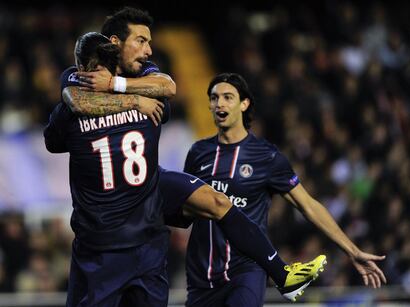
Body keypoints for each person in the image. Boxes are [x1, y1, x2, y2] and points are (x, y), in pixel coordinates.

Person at [63, 7, 328, 303]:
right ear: (115, 43)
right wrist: (136, 101)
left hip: (149, 180)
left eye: (149, 42)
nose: (148, 50)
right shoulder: (80, 77)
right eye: (140, 41)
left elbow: (169, 86)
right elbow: (74, 100)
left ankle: (283, 275)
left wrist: (119, 88)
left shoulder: (144, 75)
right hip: (112, 202)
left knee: (217, 201)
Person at [181, 73, 387, 306]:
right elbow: (185, 207)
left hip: (247, 270)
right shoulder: (198, 153)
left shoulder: (267, 156)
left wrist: (352, 250)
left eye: (228, 97)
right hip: (202, 274)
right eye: (214, 98)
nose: (220, 103)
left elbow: (307, 205)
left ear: (244, 104)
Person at [44, 30, 174, 307]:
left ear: (81, 67)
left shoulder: (68, 113)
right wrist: (134, 98)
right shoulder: (151, 103)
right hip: (149, 244)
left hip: (98, 248)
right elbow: (165, 92)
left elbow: (52, 142)